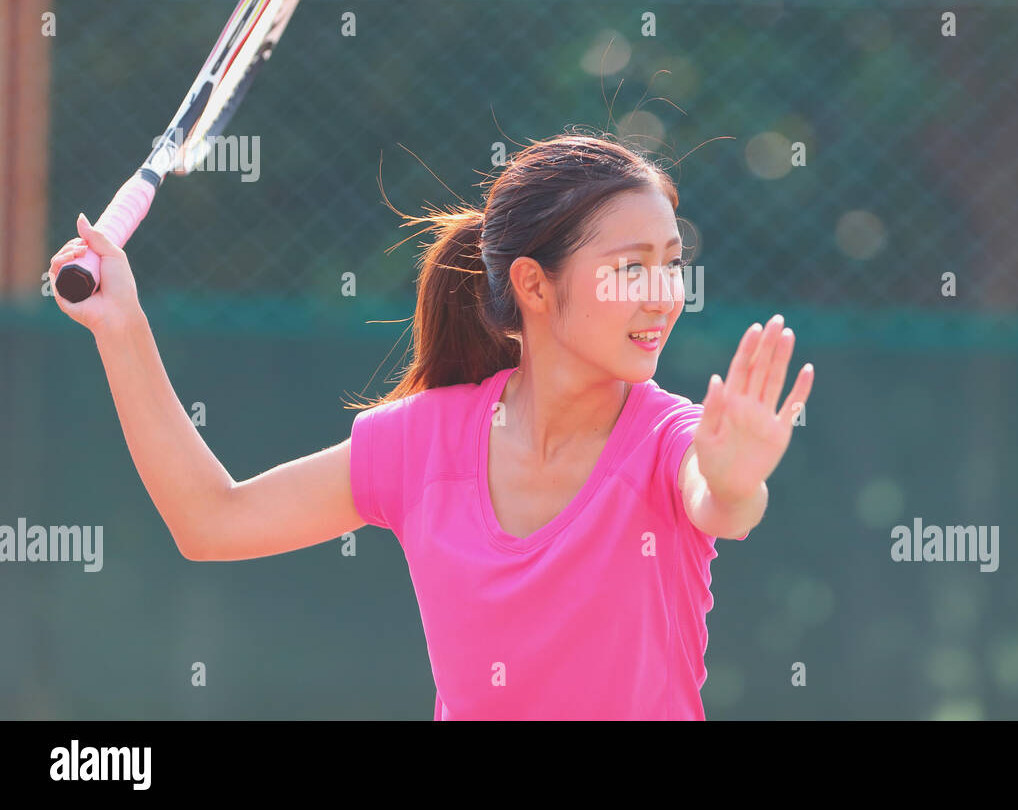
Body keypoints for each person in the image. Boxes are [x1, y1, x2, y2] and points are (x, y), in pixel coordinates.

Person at [48, 131, 814, 719]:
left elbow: (718, 501)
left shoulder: (670, 442)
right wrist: (123, 328)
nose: (664, 295)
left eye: (672, 264)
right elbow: (211, 521)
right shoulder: (420, 442)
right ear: (533, 285)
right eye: (633, 266)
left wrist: (736, 478)